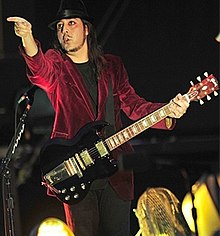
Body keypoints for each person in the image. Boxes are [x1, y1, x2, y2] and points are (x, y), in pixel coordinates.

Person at [7, 0, 190, 235]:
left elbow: (133, 105)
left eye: (71, 23)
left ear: (86, 29)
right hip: (76, 169)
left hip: (116, 171)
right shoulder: (57, 65)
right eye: (60, 26)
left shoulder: (112, 66)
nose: (64, 31)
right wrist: (27, 38)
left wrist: (168, 111)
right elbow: (39, 69)